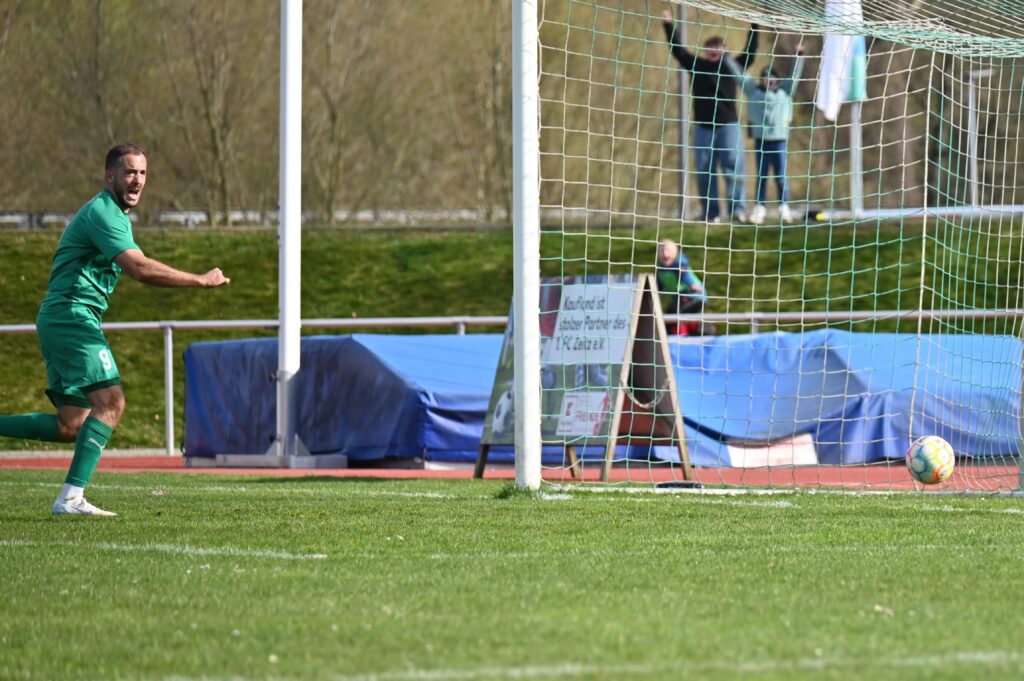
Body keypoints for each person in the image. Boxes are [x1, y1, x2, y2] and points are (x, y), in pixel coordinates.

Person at [0, 143, 230, 516]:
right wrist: (200, 280)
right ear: (110, 176)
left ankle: (69, 498)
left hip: (62, 318)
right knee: (111, 403)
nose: (137, 180)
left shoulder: (114, 214)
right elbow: (140, 268)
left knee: (72, 424)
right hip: (72, 317)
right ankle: (70, 499)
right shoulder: (103, 212)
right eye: (129, 172)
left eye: (142, 173)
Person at [662, 9, 759, 224]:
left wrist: (755, 26)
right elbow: (679, 51)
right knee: (705, 171)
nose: (714, 50)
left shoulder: (732, 67)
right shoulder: (698, 66)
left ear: (724, 50)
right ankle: (710, 212)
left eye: (718, 47)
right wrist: (668, 26)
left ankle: (737, 210)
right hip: (703, 128)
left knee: (734, 167)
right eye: (710, 47)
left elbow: (750, 53)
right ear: (705, 51)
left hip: (729, 126)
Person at [724, 43, 806, 225]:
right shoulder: (754, 92)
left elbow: (795, 75)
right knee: (761, 176)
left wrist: (799, 56)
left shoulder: (785, 92)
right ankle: (759, 207)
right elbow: (740, 76)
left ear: (777, 80)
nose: (769, 82)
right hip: (761, 141)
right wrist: (726, 58)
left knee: (781, 177)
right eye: (766, 79)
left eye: (773, 79)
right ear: (761, 80)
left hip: (779, 141)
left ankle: (783, 206)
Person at [655, 239, 710, 335]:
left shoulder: (679, 264)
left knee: (673, 313)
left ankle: (705, 330)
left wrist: (692, 285)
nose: (665, 254)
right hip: (679, 299)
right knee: (670, 314)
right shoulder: (660, 269)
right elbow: (658, 286)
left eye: (668, 250)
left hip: (694, 297)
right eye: (662, 250)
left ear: (675, 253)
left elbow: (685, 275)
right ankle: (687, 332)